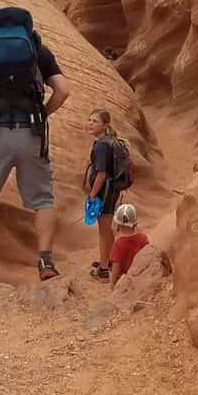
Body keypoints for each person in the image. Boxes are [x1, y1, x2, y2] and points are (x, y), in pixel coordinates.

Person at [0, 7, 70, 280]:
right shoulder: (38, 51)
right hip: (31, 132)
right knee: (43, 200)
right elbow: (64, 91)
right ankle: (45, 262)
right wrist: (43, 112)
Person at [84, 109, 124, 282]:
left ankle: (103, 271)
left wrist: (92, 196)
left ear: (105, 125)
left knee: (104, 230)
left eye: (95, 121)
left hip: (104, 191)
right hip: (112, 189)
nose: (90, 123)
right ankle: (107, 261)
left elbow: (100, 174)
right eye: (90, 119)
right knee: (107, 228)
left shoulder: (101, 144)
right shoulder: (111, 141)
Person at [107, 203, 149, 287]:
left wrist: (113, 284)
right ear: (135, 222)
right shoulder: (143, 238)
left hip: (124, 283)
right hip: (139, 279)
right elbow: (147, 258)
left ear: (118, 224)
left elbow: (116, 268)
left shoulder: (118, 244)